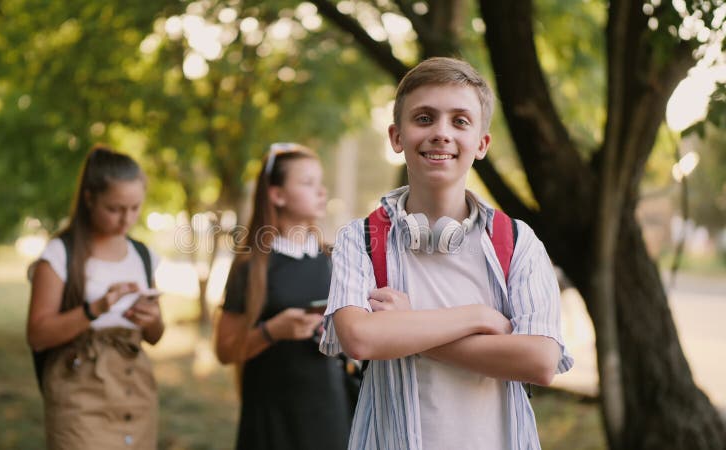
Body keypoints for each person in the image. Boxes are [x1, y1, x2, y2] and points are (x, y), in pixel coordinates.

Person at [319, 57, 574, 449]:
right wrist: (478, 317)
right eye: (424, 118)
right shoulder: (361, 239)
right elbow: (361, 340)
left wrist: (407, 326)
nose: (441, 133)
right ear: (396, 137)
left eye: (460, 121)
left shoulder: (518, 243)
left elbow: (539, 361)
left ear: (482, 143)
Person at [215, 143, 351, 450]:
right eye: (307, 183)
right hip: (271, 421)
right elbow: (225, 351)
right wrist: (272, 331)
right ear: (277, 195)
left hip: (331, 414)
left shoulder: (335, 259)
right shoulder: (251, 267)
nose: (321, 191)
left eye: (320, 182)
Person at [27, 145, 164, 449]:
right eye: (115, 209)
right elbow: (37, 335)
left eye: (135, 208)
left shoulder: (141, 255)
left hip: (134, 392)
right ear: (89, 198)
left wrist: (151, 319)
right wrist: (96, 309)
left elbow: (154, 336)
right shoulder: (61, 254)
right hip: (79, 393)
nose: (126, 219)